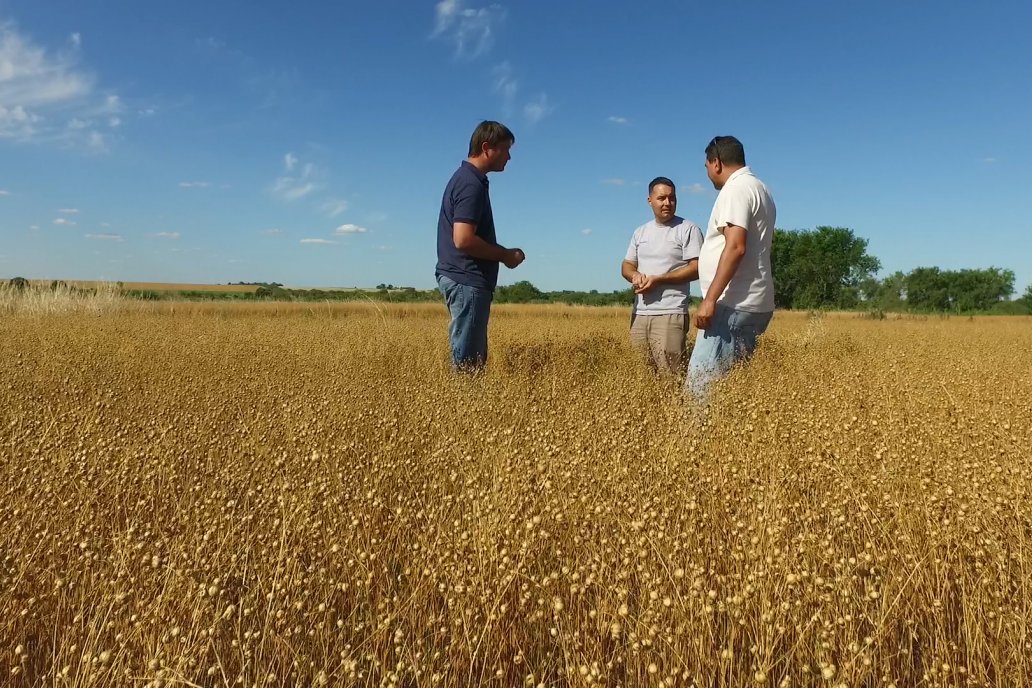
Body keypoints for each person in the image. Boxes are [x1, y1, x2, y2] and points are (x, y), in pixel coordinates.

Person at [685, 136, 776, 400]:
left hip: (731, 305)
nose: (707, 173)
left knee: (701, 395)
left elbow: (736, 246)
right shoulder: (761, 188)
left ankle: (699, 442)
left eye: (706, 166)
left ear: (716, 162)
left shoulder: (735, 190)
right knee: (731, 392)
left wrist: (710, 299)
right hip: (752, 302)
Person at [435, 120, 525, 371]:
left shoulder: (467, 179)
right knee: (468, 366)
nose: (508, 157)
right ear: (487, 148)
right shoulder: (470, 183)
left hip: (463, 278)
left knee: (470, 359)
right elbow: (463, 239)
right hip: (467, 279)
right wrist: (505, 255)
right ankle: (461, 408)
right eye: (505, 149)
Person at [621, 177, 703, 375]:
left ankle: (673, 407)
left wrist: (659, 279)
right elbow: (627, 265)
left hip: (670, 312)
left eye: (672, 198)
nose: (667, 203)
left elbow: (698, 268)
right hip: (640, 313)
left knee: (670, 377)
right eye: (661, 198)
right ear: (650, 200)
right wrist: (635, 276)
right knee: (639, 376)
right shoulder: (640, 232)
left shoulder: (688, 229)